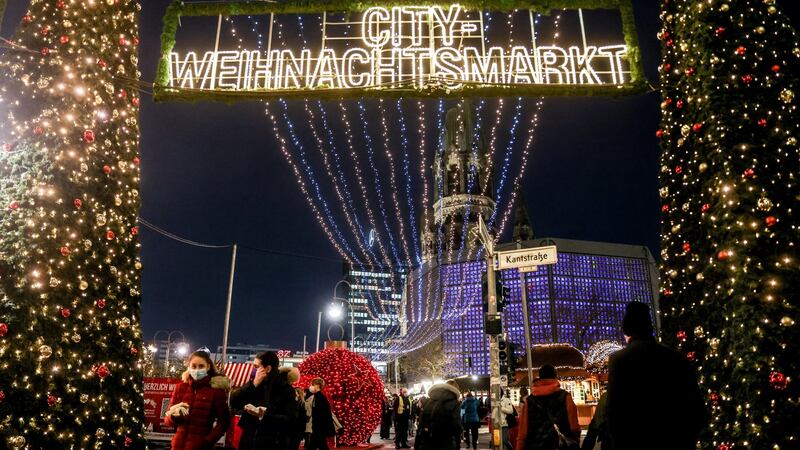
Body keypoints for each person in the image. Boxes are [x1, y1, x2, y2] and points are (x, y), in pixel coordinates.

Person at [606, 302, 706, 450]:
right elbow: (696, 408)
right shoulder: (675, 357)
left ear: (627, 329)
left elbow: (615, 414)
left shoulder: (619, 360)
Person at [165, 350, 231, 450]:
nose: (197, 370)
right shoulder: (180, 388)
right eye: (194, 366)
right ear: (189, 367)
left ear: (208, 367)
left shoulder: (216, 391)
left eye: (201, 366)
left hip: (200, 446)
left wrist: (208, 442)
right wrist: (174, 416)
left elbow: (224, 422)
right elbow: (167, 420)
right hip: (178, 445)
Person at [516, 365, 580, 450]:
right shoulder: (565, 397)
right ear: (555, 376)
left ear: (540, 377)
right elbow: (574, 426)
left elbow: (523, 432)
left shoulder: (529, 401)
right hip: (560, 445)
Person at [414, 380, 462, 450]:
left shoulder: (427, 401)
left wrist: (417, 444)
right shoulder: (454, 403)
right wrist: (457, 445)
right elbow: (456, 426)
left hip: (426, 443)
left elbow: (421, 425)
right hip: (446, 443)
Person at [306, 378, 335, 450]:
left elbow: (321, 413)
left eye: (312, 384)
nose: (311, 386)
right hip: (318, 426)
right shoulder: (318, 396)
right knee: (319, 444)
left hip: (319, 426)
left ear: (317, 386)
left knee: (318, 445)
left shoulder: (319, 397)